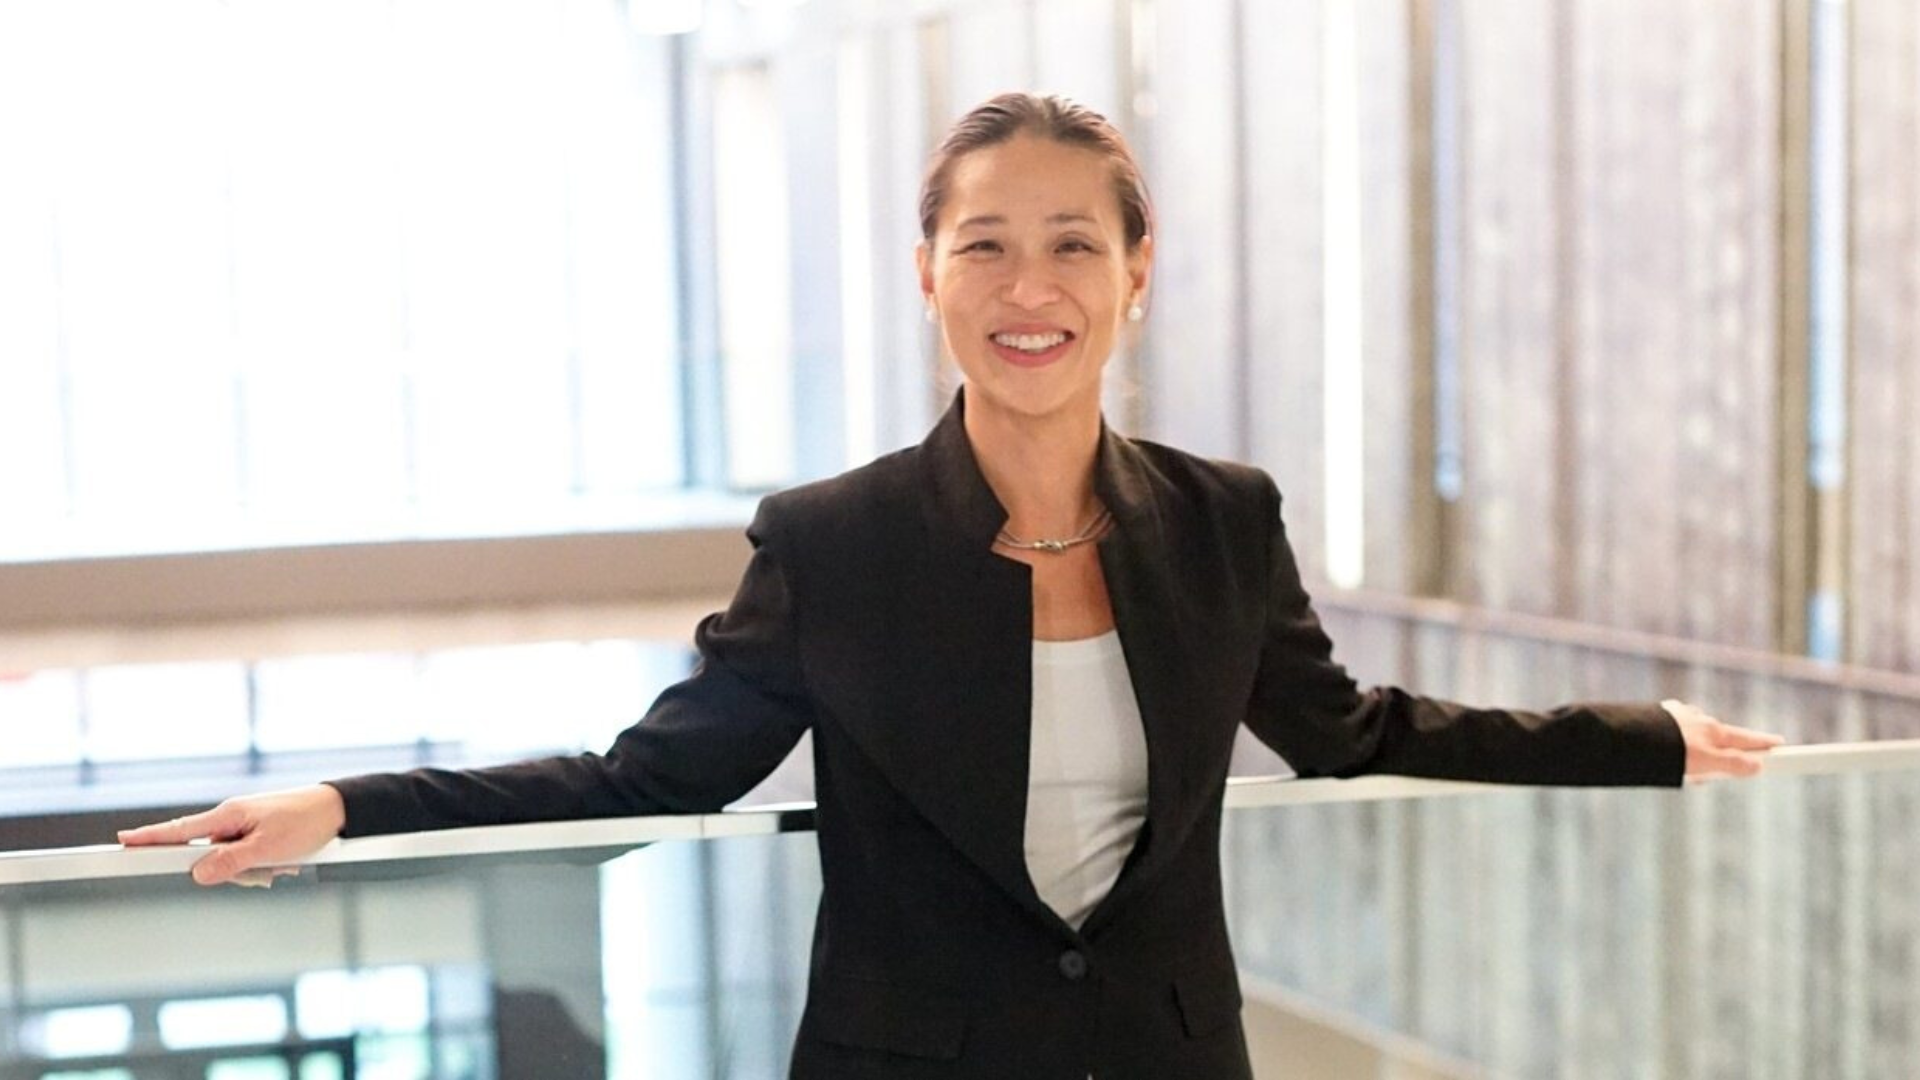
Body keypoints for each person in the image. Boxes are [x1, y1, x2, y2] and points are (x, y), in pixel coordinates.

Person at [122, 92, 1782, 1079]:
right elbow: (652, 778)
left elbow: (1351, 732)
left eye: (1073, 243)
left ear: (1136, 274)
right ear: (928, 272)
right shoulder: (831, 543)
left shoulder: (1224, 519)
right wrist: (350, 805)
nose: (1026, 285)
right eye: (984, 243)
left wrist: (1636, 739)